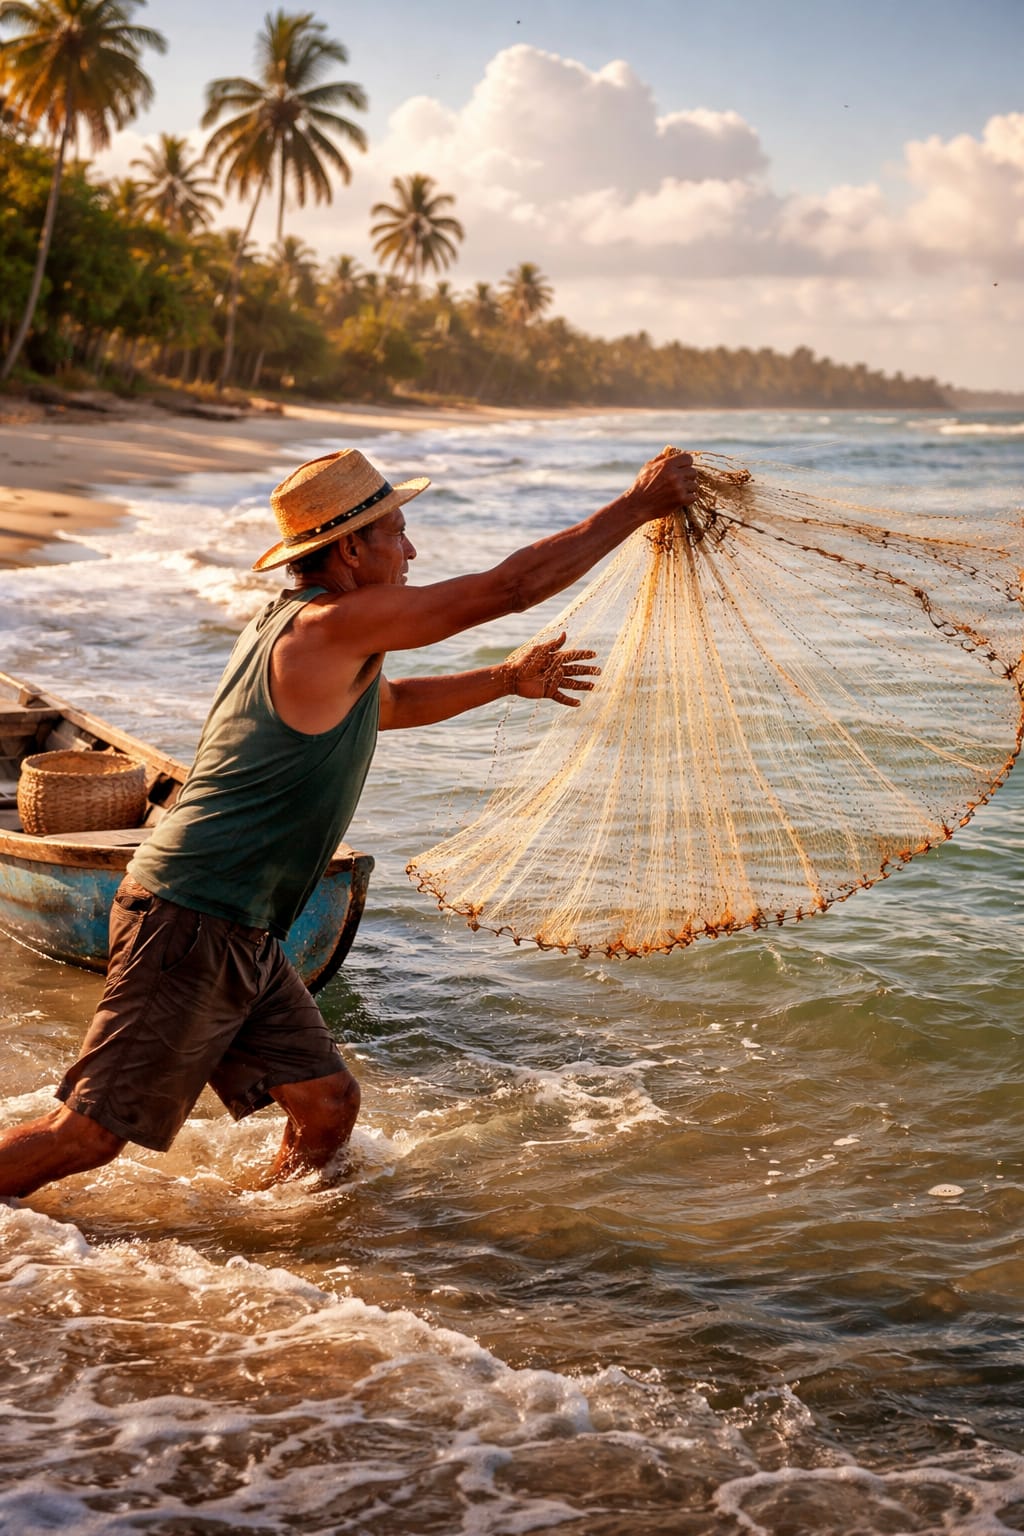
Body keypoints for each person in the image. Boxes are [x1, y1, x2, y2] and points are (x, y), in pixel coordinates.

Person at [0, 444, 699, 1199]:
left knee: (328, 1108)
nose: (411, 549)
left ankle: (271, 1252)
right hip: (193, 914)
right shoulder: (325, 627)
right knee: (88, 1136)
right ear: (351, 546)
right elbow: (511, 586)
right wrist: (637, 507)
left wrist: (505, 681)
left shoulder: (311, 631)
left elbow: (389, 705)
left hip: (240, 923)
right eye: (397, 532)